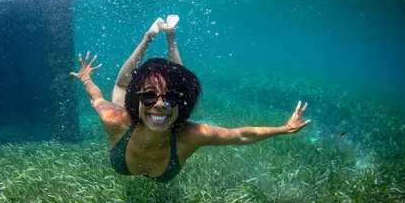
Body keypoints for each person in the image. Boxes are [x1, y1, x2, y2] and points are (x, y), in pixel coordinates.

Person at [70, 15, 311, 183]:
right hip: (133, 114)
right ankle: (149, 36)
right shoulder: (117, 120)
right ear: (139, 99)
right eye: (149, 96)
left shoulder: (192, 135)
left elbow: (239, 135)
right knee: (123, 84)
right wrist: (86, 79)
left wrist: (283, 129)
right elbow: (97, 99)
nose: (161, 103)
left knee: (177, 82)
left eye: (171, 98)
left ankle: (170, 36)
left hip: (169, 119)